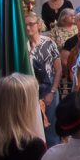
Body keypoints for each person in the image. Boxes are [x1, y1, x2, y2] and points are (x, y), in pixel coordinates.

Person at [26, 13, 62, 147]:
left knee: (51, 126)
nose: (28, 28)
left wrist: (52, 91)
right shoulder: (23, 46)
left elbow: (58, 69)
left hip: (50, 87)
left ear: (38, 25)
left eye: (31, 24)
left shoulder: (49, 42)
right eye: (25, 25)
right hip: (31, 90)